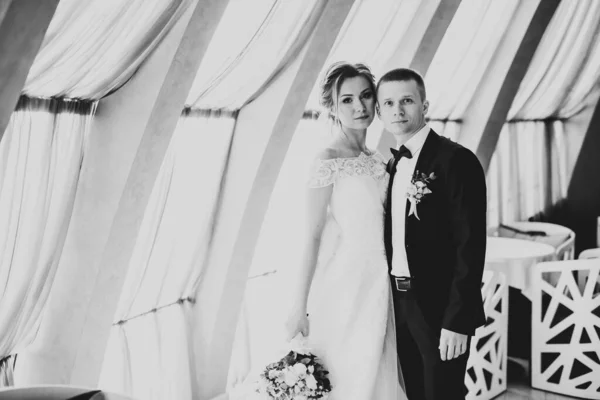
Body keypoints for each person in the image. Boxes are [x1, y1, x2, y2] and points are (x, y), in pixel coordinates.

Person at [285, 62, 406, 400]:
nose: (360, 107)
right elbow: (311, 235)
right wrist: (299, 306)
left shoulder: (376, 158)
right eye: (348, 100)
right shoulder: (328, 159)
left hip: (384, 280)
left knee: (378, 372)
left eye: (366, 96)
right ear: (333, 108)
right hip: (349, 282)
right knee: (351, 373)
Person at [377, 67, 487, 400]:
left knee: (444, 394)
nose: (398, 110)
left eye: (407, 101)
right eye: (389, 103)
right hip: (398, 302)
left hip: (439, 307)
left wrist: (457, 320)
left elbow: (470, 246)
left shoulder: (457, 160)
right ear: (380, 112)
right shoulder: (391, 165)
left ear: (424, 106)